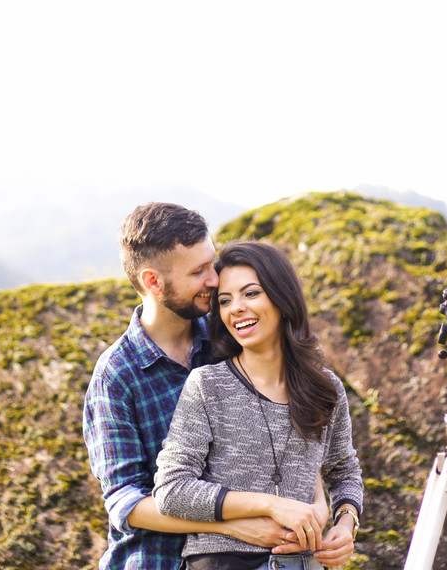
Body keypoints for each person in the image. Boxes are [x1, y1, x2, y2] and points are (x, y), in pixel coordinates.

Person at [83, 204, 335, 570]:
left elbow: (294, 430)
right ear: (153, 282)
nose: (214, 280)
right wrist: (235, 526)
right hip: (155, 561)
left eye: (211, 264)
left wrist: (323, 510)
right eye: (198, 271)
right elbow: (126, 502)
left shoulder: (229, 338)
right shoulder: (116, 375)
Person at [152, 240, 362, 570]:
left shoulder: (325, 388)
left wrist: (346, 525)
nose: (236, 307)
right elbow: (171, 490)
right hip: (221, 562)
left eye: (251, 293)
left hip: (303, 563)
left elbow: (344, 470)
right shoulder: (208, 386)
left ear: (282, 299)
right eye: (225, 300)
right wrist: (270, 505)